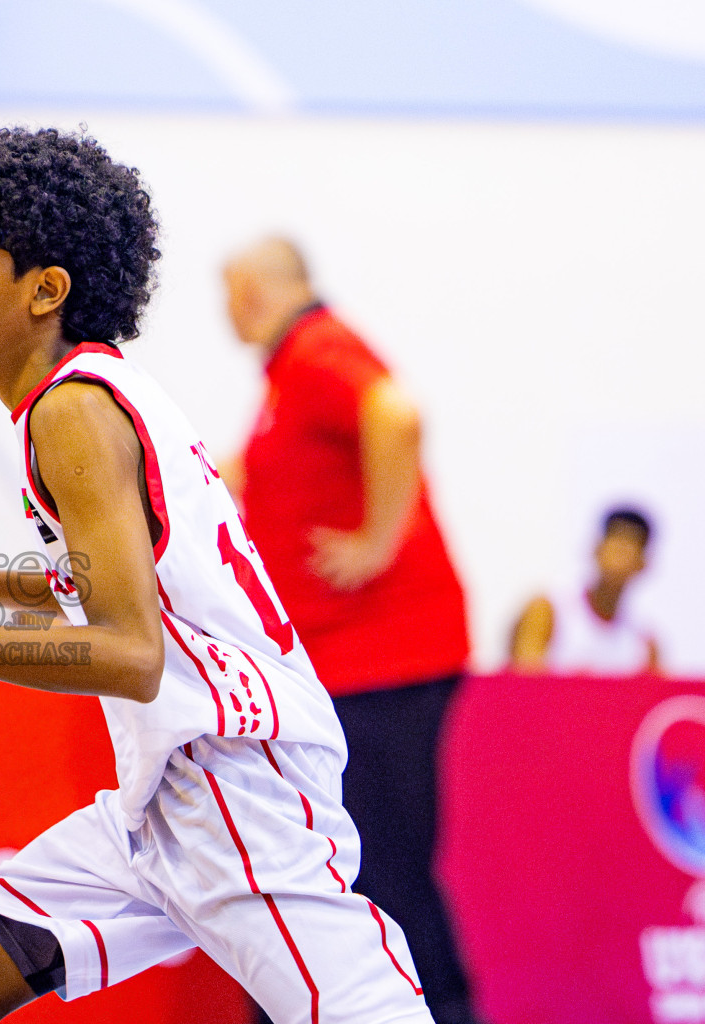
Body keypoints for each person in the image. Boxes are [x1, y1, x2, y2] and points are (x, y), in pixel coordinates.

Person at [0, 128, 432, 1024]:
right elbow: (104, 583)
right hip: (161, 802)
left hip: (235, 788)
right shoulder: (81, 396)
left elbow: (129, 652)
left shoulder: (74, 415)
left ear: (44, 290)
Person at [222, 238, 477, 1024]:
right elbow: (252, 475)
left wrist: (376, 542)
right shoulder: (289, 378)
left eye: (229, 294)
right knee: (343, 864)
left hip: (385, 662)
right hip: (342, 669)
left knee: (385, 866)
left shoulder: (317, 351)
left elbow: (396, 414)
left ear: (258, 293)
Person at [510, 507, 660, 675]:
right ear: (596, 549)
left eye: (628, 550)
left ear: (643, 564)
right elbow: (526, 685)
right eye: (616, 546)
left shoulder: (644, 640)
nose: (619, 558)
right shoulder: (548, 610)